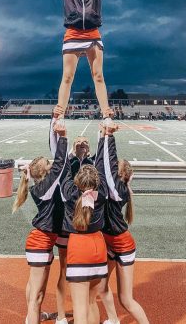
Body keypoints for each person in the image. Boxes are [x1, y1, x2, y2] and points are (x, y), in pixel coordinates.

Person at [30, 0, 131, 120]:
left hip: (93, 34)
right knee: (67, 77)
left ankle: (106, 113)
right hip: (73, 34)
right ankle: (59, 113)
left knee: (98, 76)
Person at [13, 122, 68, 324]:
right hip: (40, 242)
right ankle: (32, 317)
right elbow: (61, 164)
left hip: (41, 241)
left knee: (34, 288)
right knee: (37, 295)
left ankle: (30, 318)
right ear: (44, 173)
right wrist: (62, 136)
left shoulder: (41, 186)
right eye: (48, 163)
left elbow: (58, 167)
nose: (52, 164)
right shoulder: (45, 187)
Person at [99, 122, 150, 324]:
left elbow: (108, 167)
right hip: (111, 244)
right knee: (101, 287)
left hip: (123, 245)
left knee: (126, 299)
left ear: (120, 176)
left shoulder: (117, 190)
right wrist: (102, 134)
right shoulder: (118, 188)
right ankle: (113, 320)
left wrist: (109, 137)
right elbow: (104, 165)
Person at [60, 130, 112, 324]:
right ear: (98, 181)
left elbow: (63, 168)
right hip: (98, 247)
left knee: (80, 307)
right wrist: (106, 137)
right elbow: (104, 166)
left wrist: (62, 141)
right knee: (92, 303)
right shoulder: (103, 193)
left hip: (79, 248)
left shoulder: (69, 194)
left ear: (76, 181)